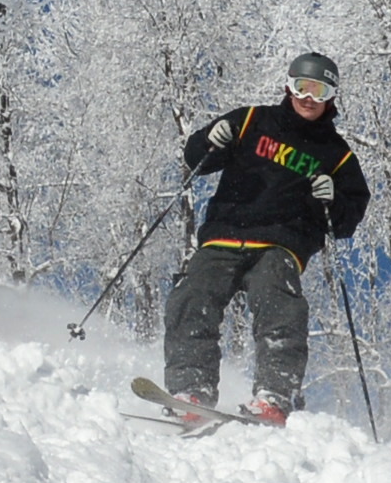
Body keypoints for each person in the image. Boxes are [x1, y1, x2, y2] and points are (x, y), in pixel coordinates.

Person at [157, 53, 368, 426]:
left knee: (279, 303)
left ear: (331, 97)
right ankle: (191, 390)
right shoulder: (251, 121)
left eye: (319, 91)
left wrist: (332, 196)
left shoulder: (337, 155)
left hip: (281, 243)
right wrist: (210, 139)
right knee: (193, 294)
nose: (308, 98)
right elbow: (196, 160)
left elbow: (347, 219)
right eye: (302, 87)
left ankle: (274, 395)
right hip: (224, 234)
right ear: (288, 86)